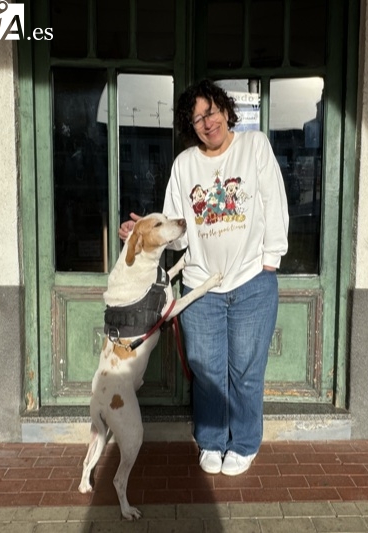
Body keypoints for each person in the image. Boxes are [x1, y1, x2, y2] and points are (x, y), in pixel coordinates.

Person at [119, 79, 289, 476]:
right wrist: (142, 233)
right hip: (200, 287)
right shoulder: (184, 165)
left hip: (250, 281)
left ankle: (244, 442)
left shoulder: (254, 146)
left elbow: (274, 201)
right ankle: (212, 440)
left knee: (246, 370)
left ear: (226, 111)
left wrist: (271, 259)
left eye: (210, 112)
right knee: (207, 371)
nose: (206, 122)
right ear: (190, 127)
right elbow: (175, 232)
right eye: (196, 119)